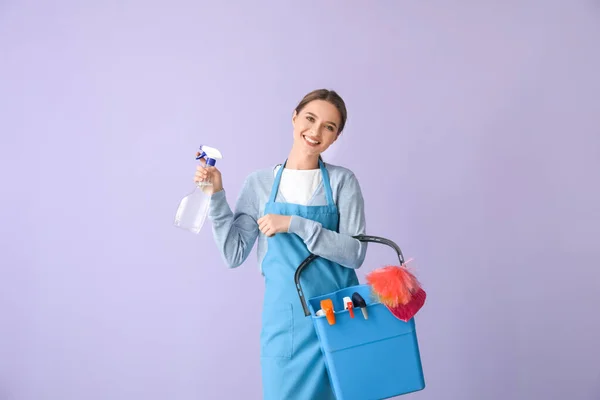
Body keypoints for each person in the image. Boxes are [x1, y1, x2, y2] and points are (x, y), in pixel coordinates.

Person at [195, 89, 368, 400]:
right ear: (294, 118)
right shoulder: (259, 184)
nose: (315, 132)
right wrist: (216, 196)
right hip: (286, 327)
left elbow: (355, 253)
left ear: (336, 136)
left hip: (340, 320)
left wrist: (295, 224)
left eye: (329, 127)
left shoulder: (343, 182)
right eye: (310, 119)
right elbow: (234, 253)